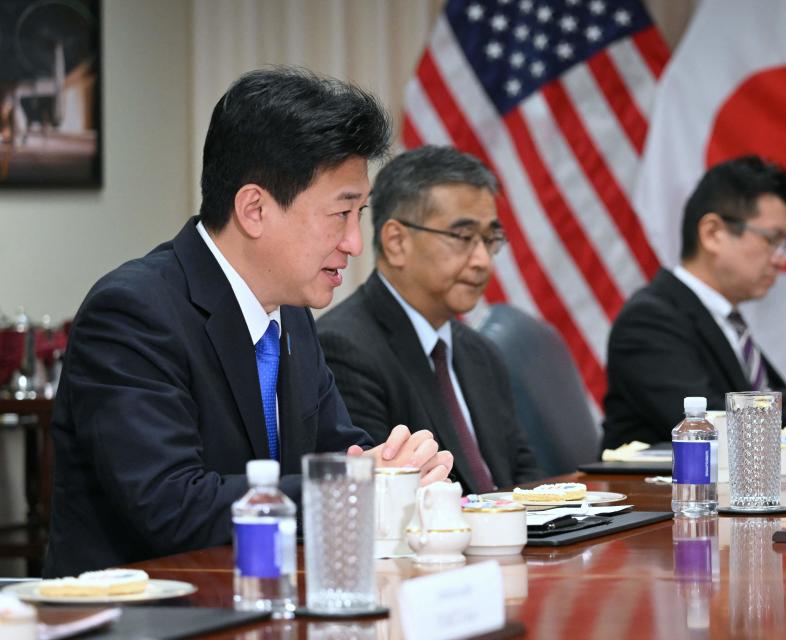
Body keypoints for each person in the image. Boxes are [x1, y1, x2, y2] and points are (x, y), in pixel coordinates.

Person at [44, 68, 453, 577]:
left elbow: (339, 451)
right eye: (340, 214)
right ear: (254, 209)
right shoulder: (132, 314)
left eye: (360, 213)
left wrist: (399, 469)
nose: (353, 242)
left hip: (265, 604)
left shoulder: (292, 315)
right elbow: (173, 507)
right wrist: (355, 481)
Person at [603, 155, 786, 448]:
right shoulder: (649, 320)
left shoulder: (726, 321)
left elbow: (774, 416)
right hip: (661, 491)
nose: (780, 259)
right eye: (772, 240)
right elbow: (708, 425)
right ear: (712, 234)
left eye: (785, 245)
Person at [316, 145, 542, 494]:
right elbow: (388, 497)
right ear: (396, 242)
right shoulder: (343, 349)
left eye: (490, 239)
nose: (482, 260)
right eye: (463, 237)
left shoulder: (480, 352)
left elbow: (526, 480)